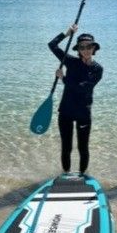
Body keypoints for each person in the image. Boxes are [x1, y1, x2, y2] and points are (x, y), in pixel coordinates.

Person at [48, 24, 103, 175]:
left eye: (89, 46)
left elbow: (83, 88)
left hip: (83, 113)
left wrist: (63, 78)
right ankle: (66, 174)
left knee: (82, 147)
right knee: (66, 147)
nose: (86, 50)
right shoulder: (70, 62)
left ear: (94, 48)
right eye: (82, 47)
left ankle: (82, 175)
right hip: (65, 110)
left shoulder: (97, 69)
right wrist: (67, 33)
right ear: (78, 50)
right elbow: (52, 45)